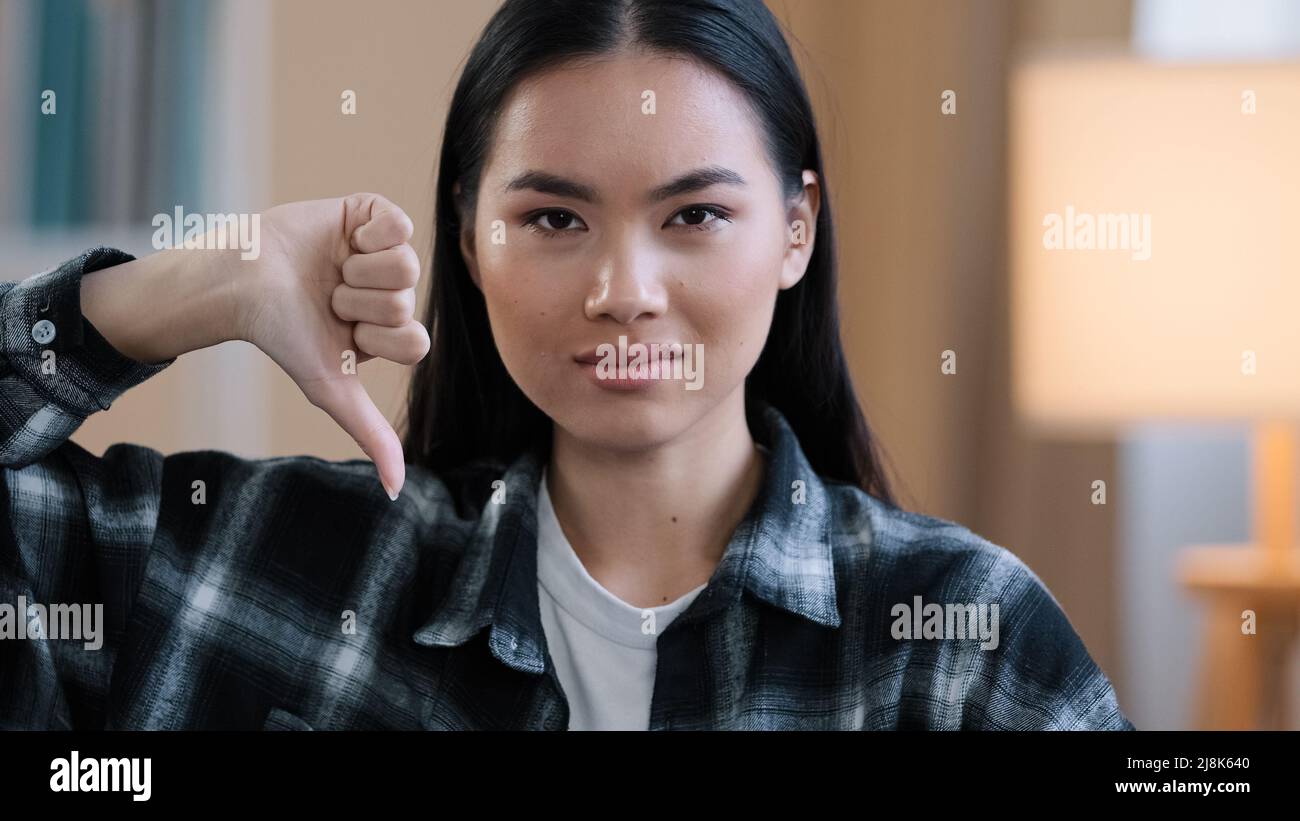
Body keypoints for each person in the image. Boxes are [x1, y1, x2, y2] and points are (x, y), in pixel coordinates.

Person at [0, 0, 1133, 730]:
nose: (622, 288)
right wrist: (187, 287)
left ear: (796, 229)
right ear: (466, 233)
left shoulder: (958, 640)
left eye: (692, 214)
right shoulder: (251, 568)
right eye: (553, 219)